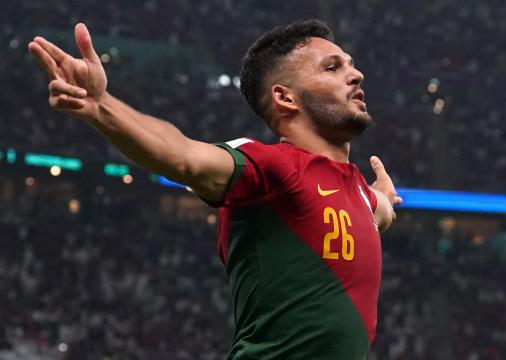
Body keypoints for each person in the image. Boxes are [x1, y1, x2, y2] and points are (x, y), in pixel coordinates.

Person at [28, 19, 402, 359]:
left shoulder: (358, 192)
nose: (356, 75)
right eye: (332, 67)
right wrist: (102, 106)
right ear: (285, 97)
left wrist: (385, 195)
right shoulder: (274, 167)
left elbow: (378, 211)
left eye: (351, 64)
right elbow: (185, 157)